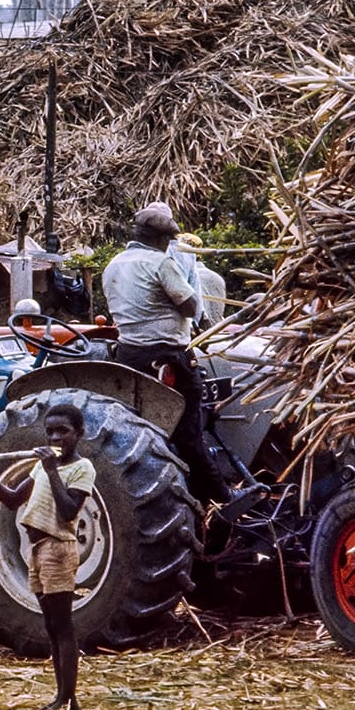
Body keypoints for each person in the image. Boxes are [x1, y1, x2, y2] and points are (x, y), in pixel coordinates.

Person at [0, 402, 96, 710]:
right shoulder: (40, 467)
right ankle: (63, 697)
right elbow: (11, 501)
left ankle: (68, 699)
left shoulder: (81, 468)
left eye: (62, 431)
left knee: (63, 625)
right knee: (50, 624)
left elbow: (68, 512)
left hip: (58, 550)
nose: (55, 437)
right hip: (35, 551)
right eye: (50, 431)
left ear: (79, 433)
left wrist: (52, 470)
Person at [101, 203, 219, 499]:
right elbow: (190, 306)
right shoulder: (159, 262)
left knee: (140, 429)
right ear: (159, 239)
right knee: (190, 434)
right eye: (168, 239)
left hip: (128, 357)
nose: (169, 245)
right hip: (169, 356)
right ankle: (217, 498)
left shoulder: (113, 264)